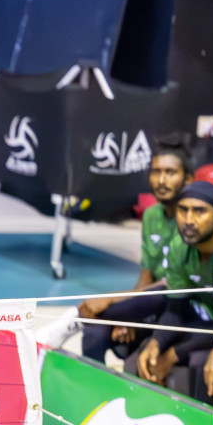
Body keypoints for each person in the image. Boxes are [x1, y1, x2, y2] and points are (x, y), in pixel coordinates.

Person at [136, 181, 213, 399]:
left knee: (201, 362)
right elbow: (175, 309)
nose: (188, 220)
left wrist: (172, 355)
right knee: (146, 349)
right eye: (183, 210)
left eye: (199, 211)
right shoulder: (179, 245)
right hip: (207, 320)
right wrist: (157, 342)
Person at [77, 136, 191, 364]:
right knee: (95, 333)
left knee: (100, 312)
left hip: (179, 309)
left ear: (188, 179)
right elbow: (144, 281)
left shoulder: (192, 220)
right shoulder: (151, 216)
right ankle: (98, 397)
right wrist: (127, 313)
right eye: (156, 172)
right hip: (150, 304)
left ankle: (67, 323)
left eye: (170, 172)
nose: (161, 180)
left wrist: (114, 301)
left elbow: (172, 284)